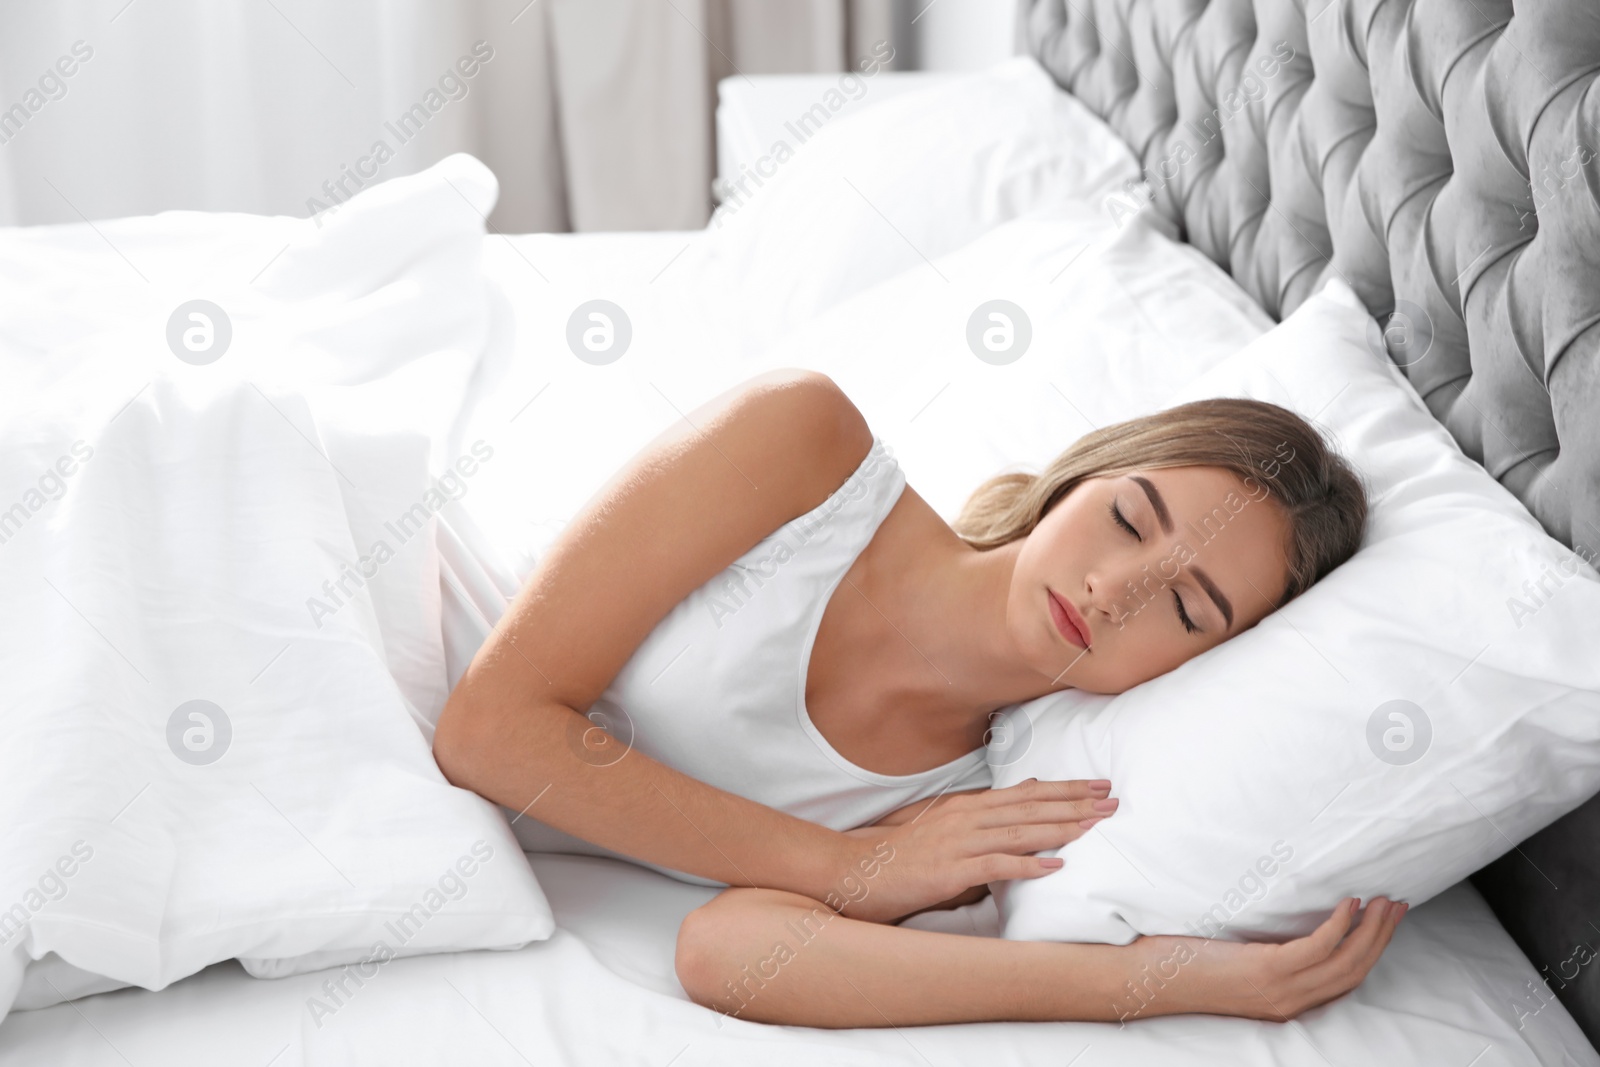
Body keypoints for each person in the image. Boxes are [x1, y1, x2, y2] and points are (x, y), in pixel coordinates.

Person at [433, 366, 1400, 1028]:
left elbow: (727, 953)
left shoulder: (977, 804)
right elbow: (488, 731)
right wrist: (846, 859)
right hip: (390, 630)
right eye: (1126, 518)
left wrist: (1160, 979)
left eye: (1187, 609)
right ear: (1082, 476)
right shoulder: (807, 443)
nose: (1117, 589)